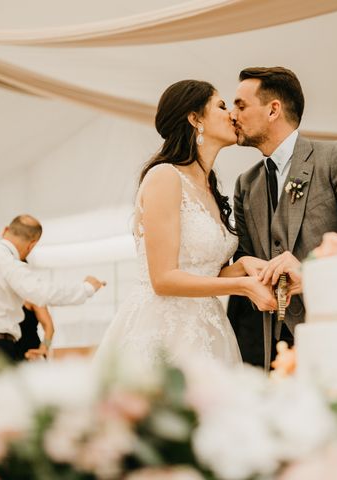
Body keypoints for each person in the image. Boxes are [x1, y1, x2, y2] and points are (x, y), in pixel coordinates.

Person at [94, 80, 276, 370]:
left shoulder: (210, 187)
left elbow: (202, 271)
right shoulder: (165, 177)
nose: (232, 114)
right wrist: (242, 286)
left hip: (208, 329)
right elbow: (164, 279)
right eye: (221, 106)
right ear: (194, 118)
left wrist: (244, 266)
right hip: (164, 330)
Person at [228, 67, 337, 369]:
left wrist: (314, 271)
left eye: (241, 105)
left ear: (273, 110)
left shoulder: (334, 158)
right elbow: (244, 257)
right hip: (275, 347)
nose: (232, 114)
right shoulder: (246, 184)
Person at [0, 215, 105, 374]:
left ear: (5, 230)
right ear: (32, 245)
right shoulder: (9, 263)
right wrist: (86, 288)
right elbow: (43, 292)